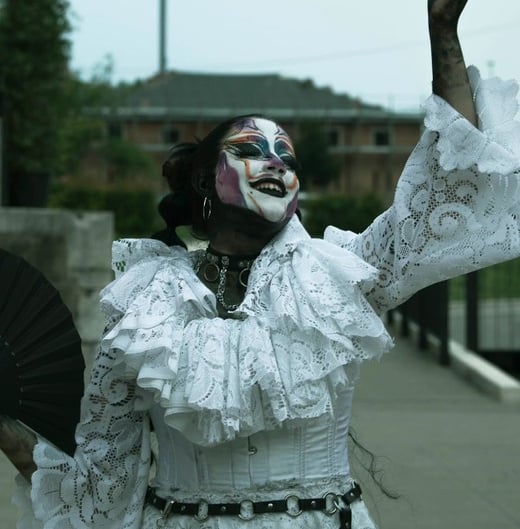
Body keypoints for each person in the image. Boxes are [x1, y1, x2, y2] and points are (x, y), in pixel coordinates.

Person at [1, 0, 520, 527]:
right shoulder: (144, 309)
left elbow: (451, 188)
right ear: (206, 183)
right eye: (251, 149)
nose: (275, 162)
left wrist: (442, 32)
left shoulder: (339, 273)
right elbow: (100, 495)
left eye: (287, 158)